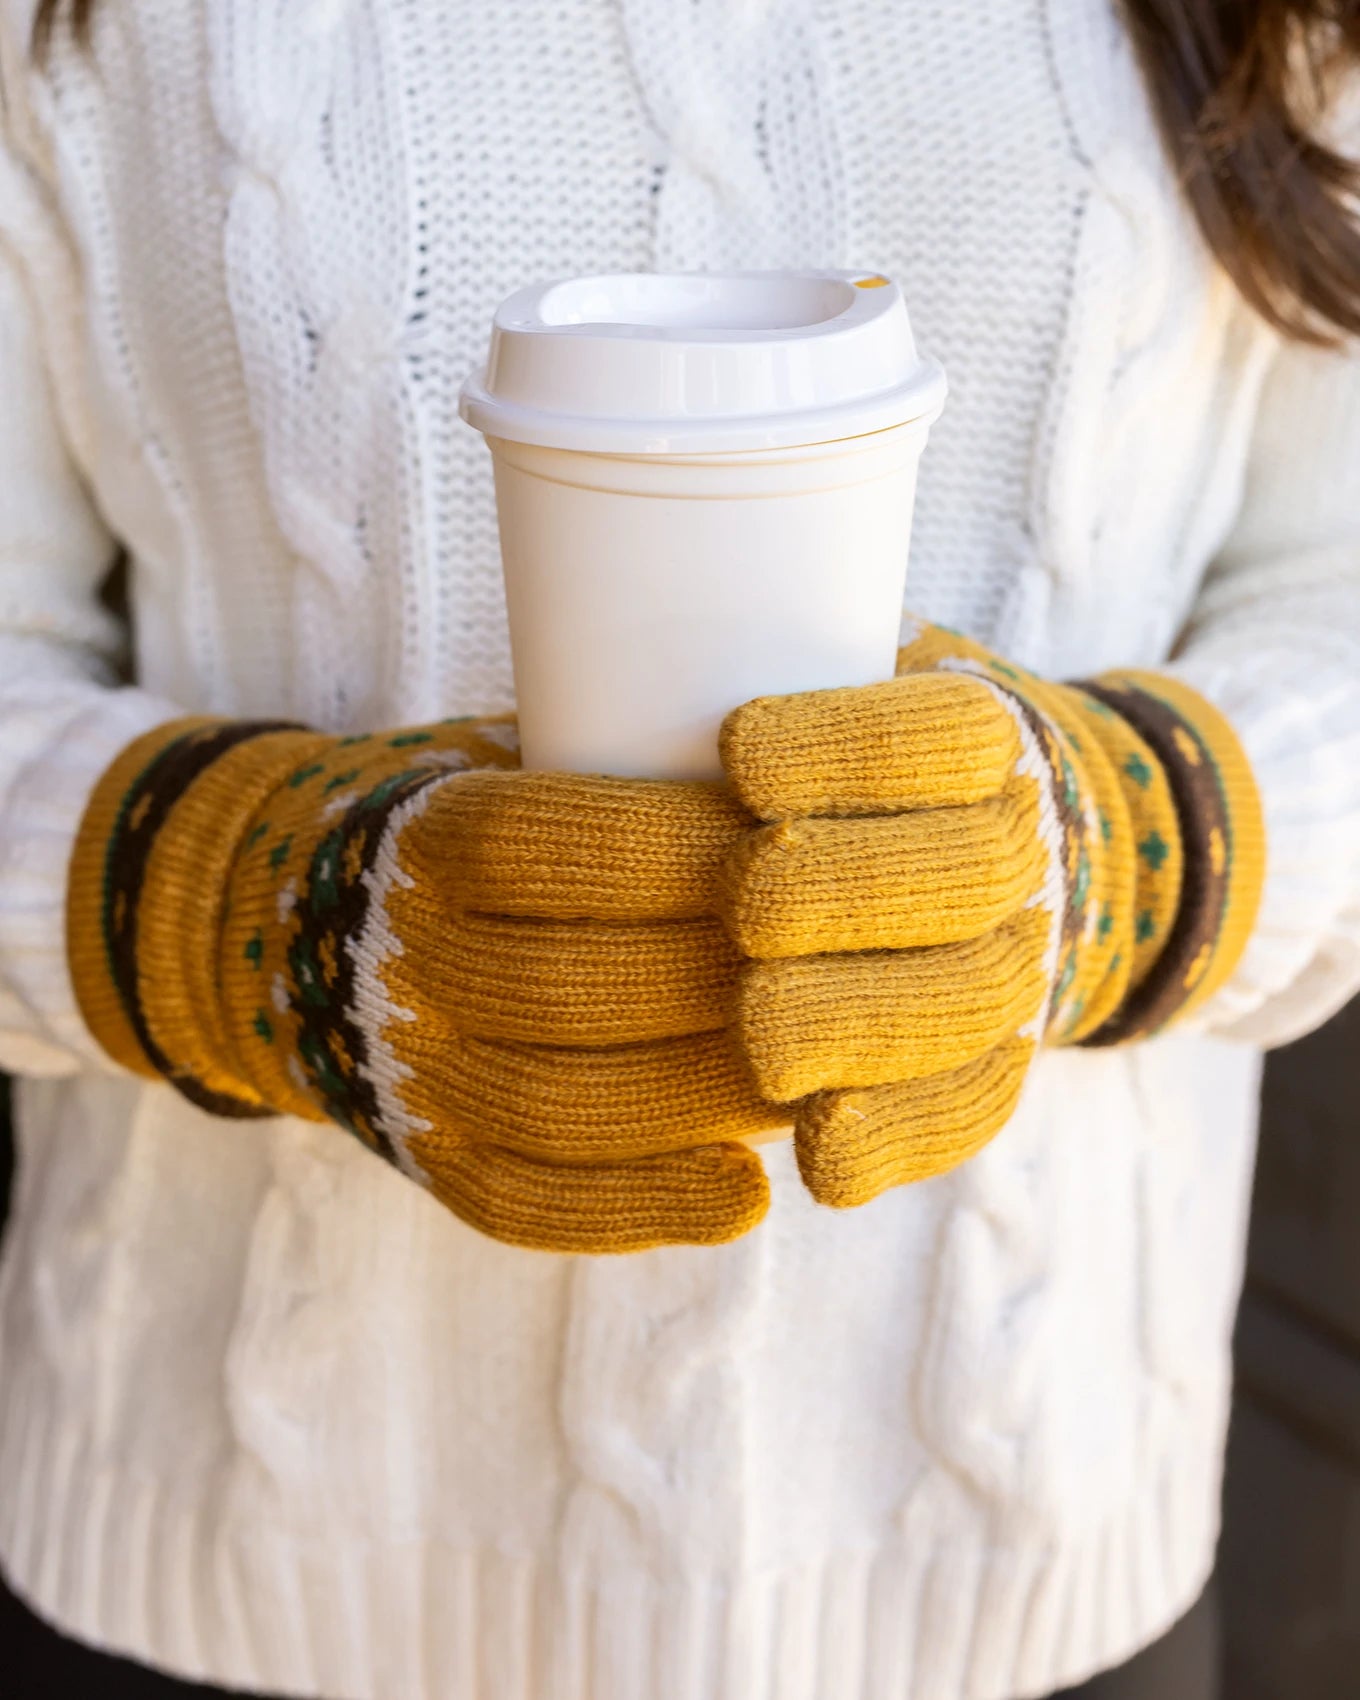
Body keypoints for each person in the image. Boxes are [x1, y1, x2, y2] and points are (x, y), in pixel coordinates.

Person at [0, 1, 1357, 1697]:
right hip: (227, 1567)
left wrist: (1118, 849)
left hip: (1026, 1561)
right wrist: (249, 913)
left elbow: (1334, 599)